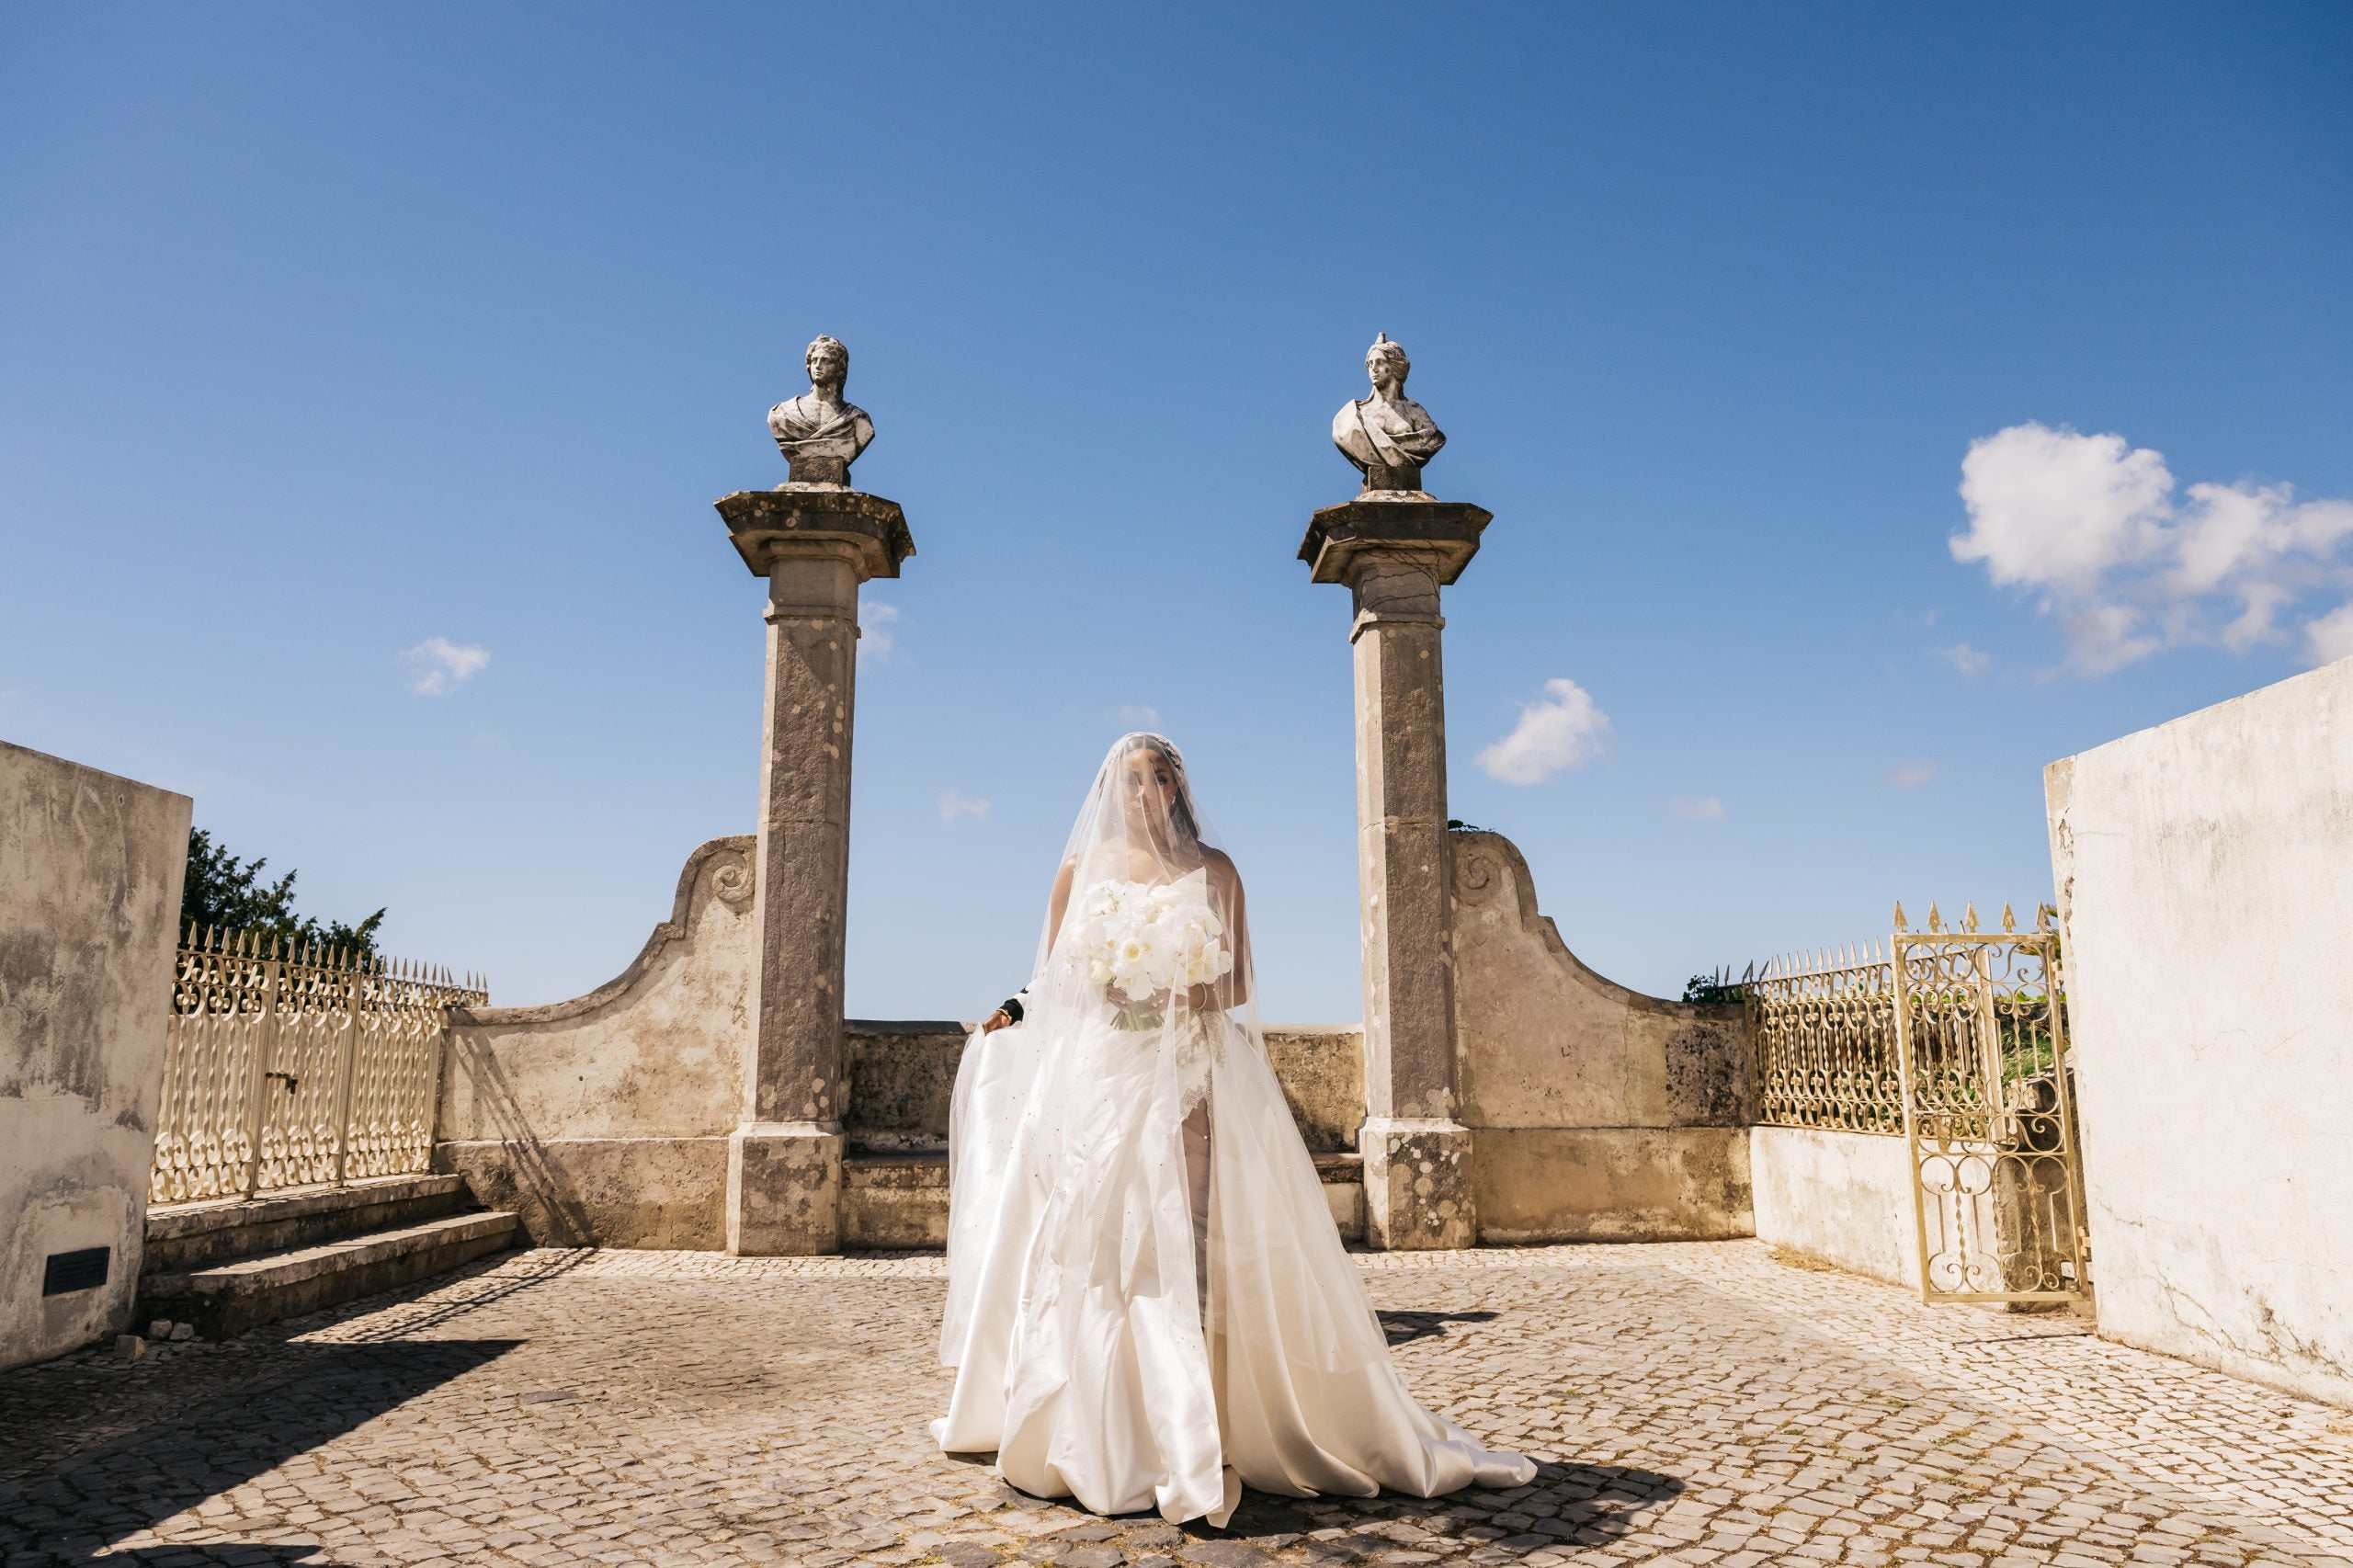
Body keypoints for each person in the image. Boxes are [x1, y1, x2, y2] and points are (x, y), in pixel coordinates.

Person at [932, 733, 1536, 1527]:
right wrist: (1034, 1008)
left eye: (1152, 780)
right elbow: (1054, 979)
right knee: (1104, 1243)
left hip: (1191, 1071)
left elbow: (1240, 980)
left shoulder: (1214, 869)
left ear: (1176, 785)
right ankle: (1105, 1428)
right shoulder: (1081, 870)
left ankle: (1211, 1416)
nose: (1139, 795)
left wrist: (1173, 990)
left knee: (1194, 1233)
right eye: (1127, 782)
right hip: (1104, 1079)